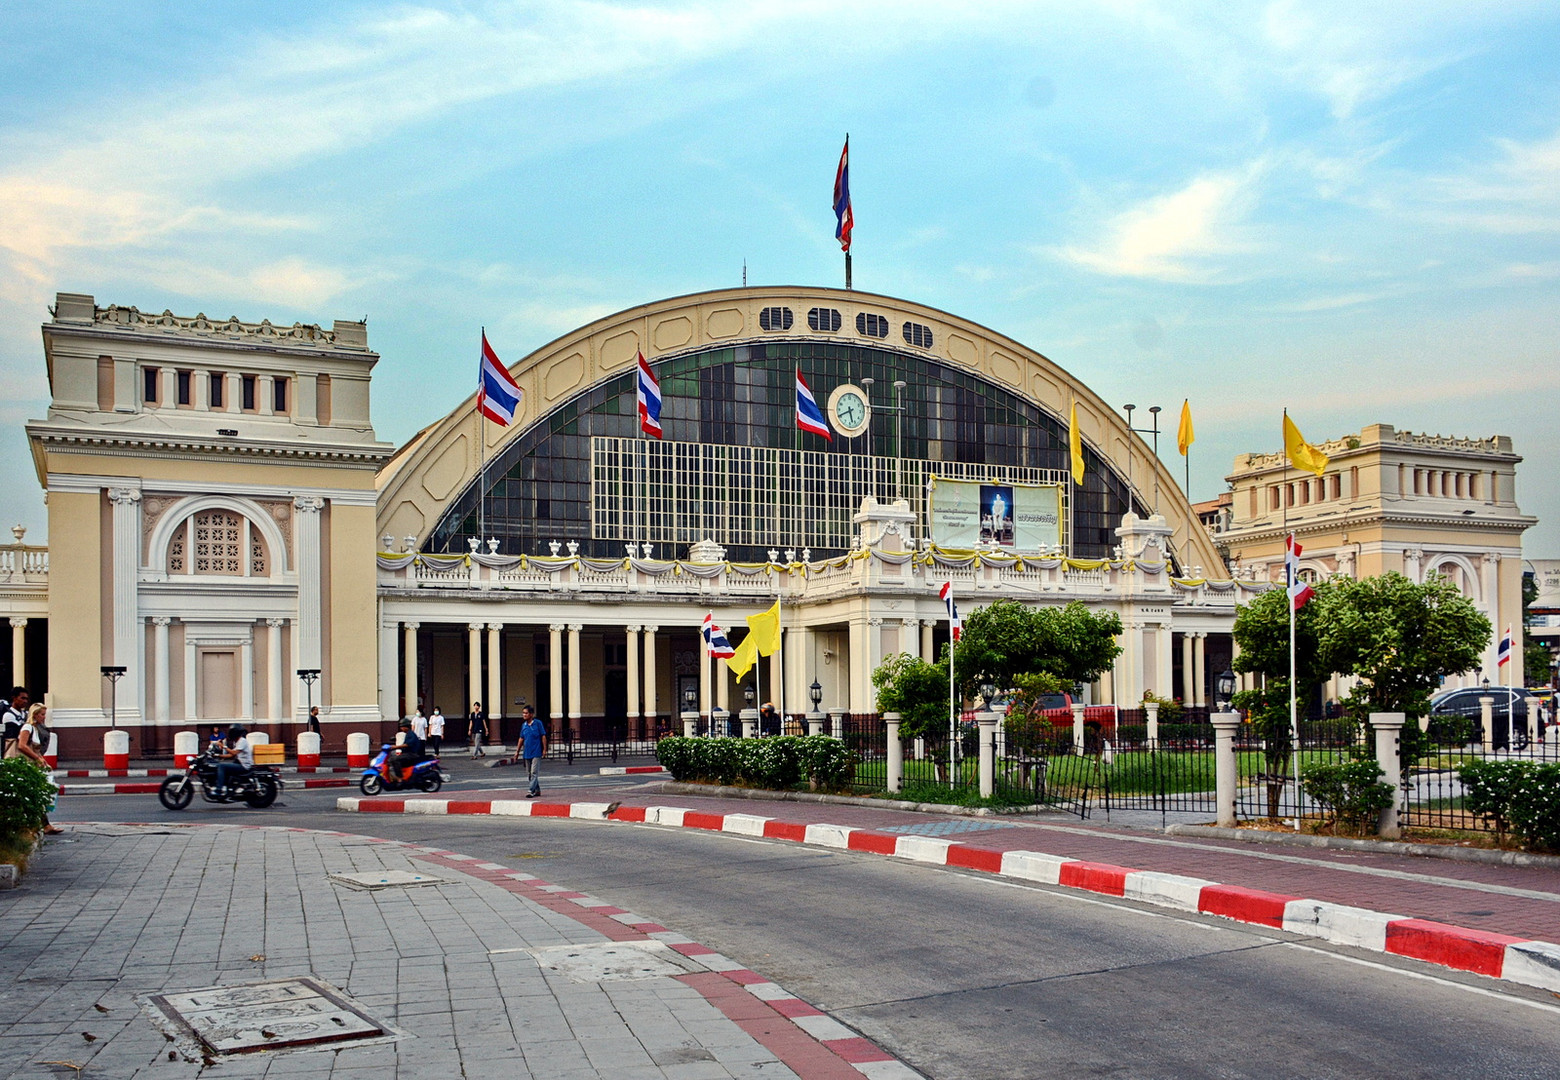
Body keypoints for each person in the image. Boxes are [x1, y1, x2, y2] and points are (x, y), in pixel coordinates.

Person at [12, 703, 61, 834]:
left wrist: (43, 761)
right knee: (31, 795)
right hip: (26, 766)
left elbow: (36, 750)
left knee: (35, 795)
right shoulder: (28, 727)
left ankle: (44, 825)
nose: (44, 717)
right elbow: (22, 745)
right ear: (35, 715)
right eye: (42, 714)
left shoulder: (37, 728)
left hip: (33, 765)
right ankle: (39, 825)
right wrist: (37, 758)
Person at [510, 706, 546, 797]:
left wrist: (545, 749)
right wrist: (517, 752)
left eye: (526, 713)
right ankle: (537, 790)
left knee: (534, 772)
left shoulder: (538, 723)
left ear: (531, 714)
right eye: (523, 713)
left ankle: (531, 790)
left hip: (536, 752)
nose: (524, 715)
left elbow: (543, 736)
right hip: (527, 752)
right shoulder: (524, 725)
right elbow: (521, 738)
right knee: (529, 773)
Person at [214, 724, 252, 797]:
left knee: (221, 766)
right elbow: (231, 755)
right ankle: (228, 787)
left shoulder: (242, 741)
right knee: (221, 764)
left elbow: (234, 753)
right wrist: (218, 756)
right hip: (239, 762)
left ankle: (219, 789)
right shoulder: (237, 741)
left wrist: (223, 746)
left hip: (244, 766)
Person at [390, 717, 425, 782]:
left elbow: (407, 744)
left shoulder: (411, 734)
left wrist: (395, 747)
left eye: (402, 727)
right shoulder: (408, 734)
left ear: (406, 727)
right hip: (406, 753)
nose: (401, 728)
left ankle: (400, 777)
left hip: (411, 754)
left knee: (395, 760)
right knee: (391, 758)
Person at [2, 686, 28, 758]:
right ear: (14, 698)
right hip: (13, 750)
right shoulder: (8, 715)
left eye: (26, 699)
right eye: (22, 698)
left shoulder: (26, 714)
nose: (25, 701)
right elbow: (16, 733)